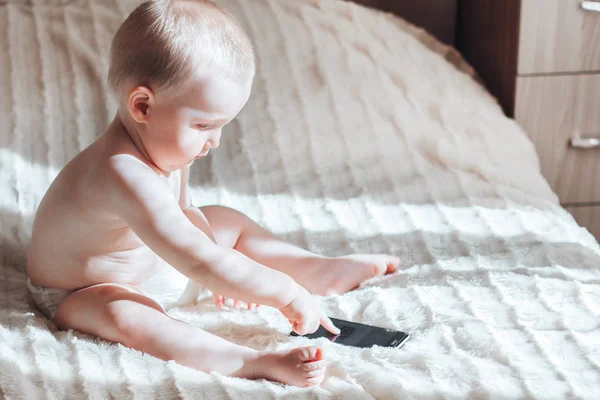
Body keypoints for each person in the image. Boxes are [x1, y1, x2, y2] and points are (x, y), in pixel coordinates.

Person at [26, 0, 400, 387]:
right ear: (142, 105)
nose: (215, 141)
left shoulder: (164, 149)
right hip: (85, 289)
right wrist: (279, 291)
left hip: (155, 259)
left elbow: (186, 217)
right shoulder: (121, 172)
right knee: (124, 316)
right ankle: (250, 361)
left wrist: (227, 269)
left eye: (221, 125)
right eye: (204, 124)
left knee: (223, 219)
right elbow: (199, 260)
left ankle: (315, 267)